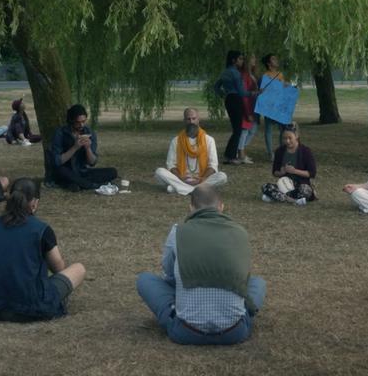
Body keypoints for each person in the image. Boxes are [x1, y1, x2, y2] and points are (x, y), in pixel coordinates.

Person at [136, 185, 266, 345]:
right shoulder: (240, 232)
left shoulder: (178, 232)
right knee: (258, 283)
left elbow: (169, 274)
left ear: (191, 208)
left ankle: (184, 308)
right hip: (234, 332)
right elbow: (243, 280)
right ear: (221, 207)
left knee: (144, 279)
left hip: (185, 331)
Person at [0, 178, 85, 321]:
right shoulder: (41, 230)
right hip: (28, 308)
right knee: (78, 269)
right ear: (34, 202)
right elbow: (59, 268)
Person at [155, 108, 228, 196]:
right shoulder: (176, 140)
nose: (191, 121)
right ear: (184, 121)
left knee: (222, 176)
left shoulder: (209, 140)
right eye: (188, 119)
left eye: (194, 118)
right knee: (159, 172)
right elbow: (171, 165)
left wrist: (202, 178)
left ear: (198, 119)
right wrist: (181, 178)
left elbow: (213, 165)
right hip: (181, 178)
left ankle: (179, 188)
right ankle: (196, 189)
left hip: (201, 178)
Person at [51, 104, 118, 192]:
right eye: (78, 122)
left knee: (112, 172)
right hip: (66, 170)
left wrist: (88, 148)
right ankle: (90, 185)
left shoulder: (89, 132)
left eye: (83, 121)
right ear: (71, 120)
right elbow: (57, 162)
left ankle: (76, 184)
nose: (81, 125)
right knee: (61, 171)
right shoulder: (60, 133)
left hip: (82, 171)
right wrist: (75, 147)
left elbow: (92, 162)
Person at [213, 51, 257, 164]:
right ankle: (231, 156)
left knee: (236, 129)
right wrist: (254, 93)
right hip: (236, 100)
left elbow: (216, 87)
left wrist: (224, 94)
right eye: (240, 59)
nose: (242, 61)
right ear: (234, 60)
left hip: (229, 99)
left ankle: (229, 155)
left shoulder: (225, 72)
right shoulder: (236, 73)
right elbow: (242, 92)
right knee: (238, 130)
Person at [261, 123, 317, 206]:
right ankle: (294, 200)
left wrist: (294, 171)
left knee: (305, 190)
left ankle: (277, 197)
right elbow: (275, 172)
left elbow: (312, 173)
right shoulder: (279, 151)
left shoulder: (305, 151)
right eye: (284, 138)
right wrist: (281, 173)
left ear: (296, 136)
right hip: (283, 185)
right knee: (265, 186)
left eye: (290, 138)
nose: (287, 141)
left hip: (300, 185)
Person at [259, 53, 286, 159]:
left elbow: (282, 89)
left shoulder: (280, 74)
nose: (277, 60)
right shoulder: (265, 76)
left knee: (283, 128)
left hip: (279, 105)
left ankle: (281, 150)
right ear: (269, 64)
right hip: (270, 106)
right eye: (274, 59)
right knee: (268, 129)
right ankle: (270, 153)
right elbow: (264, 91)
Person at [237, 55, 260, 164]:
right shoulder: (244, 75)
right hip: (247, 105)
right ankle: (241, 153)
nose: (254, 60)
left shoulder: (252, 75)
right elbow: (244, 94)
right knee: (245, 130)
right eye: (252, 58)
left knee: (253, 129)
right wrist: (247, 112)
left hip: (254, 105)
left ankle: (241, 150)